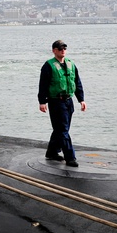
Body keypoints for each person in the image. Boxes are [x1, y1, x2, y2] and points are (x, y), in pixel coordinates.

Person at [38, 39, 86, 167]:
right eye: (60, 48)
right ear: (54, 51)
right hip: (56, 102)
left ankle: (52, 152)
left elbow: (77, 82)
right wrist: (42, 102)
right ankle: (70, 157)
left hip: (68, 101)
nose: (63, 50)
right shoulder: (48, 66)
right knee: (63, 130)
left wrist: (81, 99)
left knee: (61, 129)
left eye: (64, 48)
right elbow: (43, 85)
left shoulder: (71, 64)